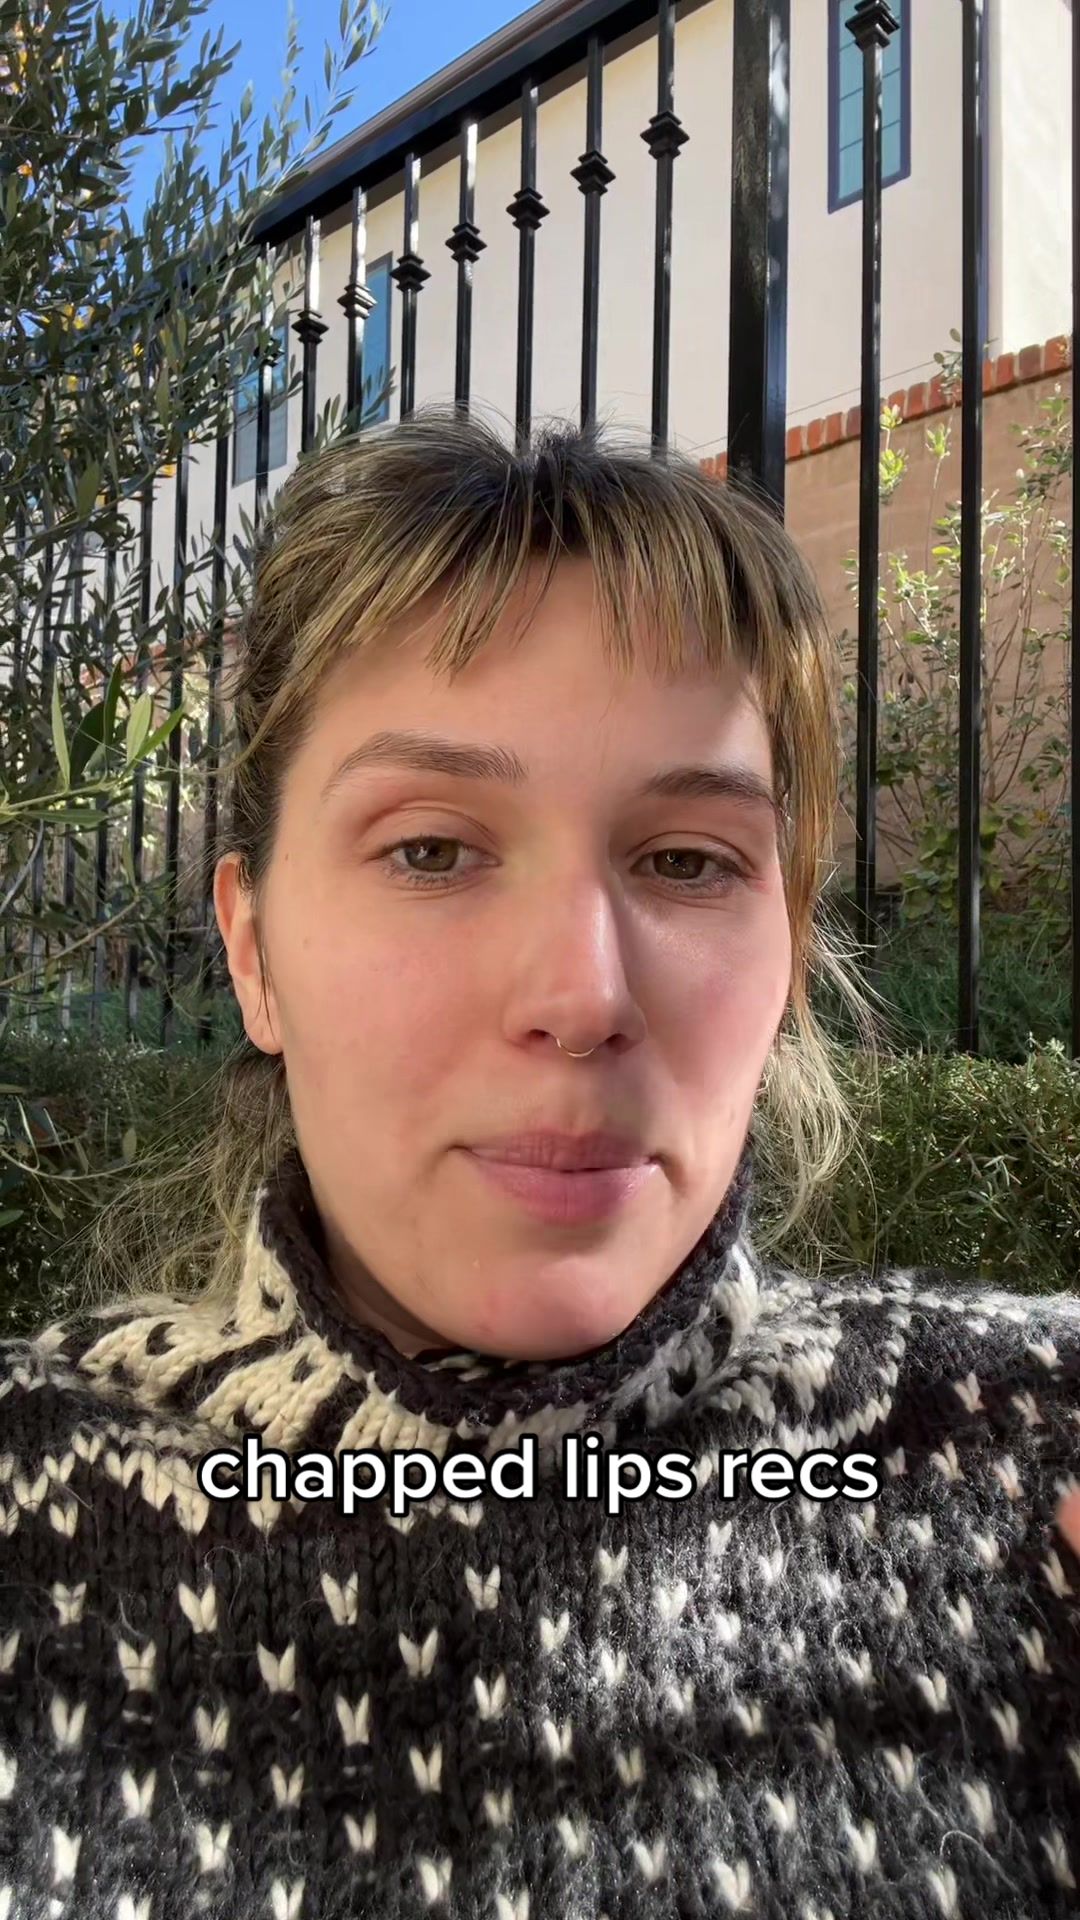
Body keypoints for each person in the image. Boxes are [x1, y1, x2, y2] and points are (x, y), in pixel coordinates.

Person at [1, 404, 1078, 1920]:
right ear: (254, 953)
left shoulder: (1030, 1469)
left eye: (687, 861)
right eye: (432, 850)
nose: (581, 995)